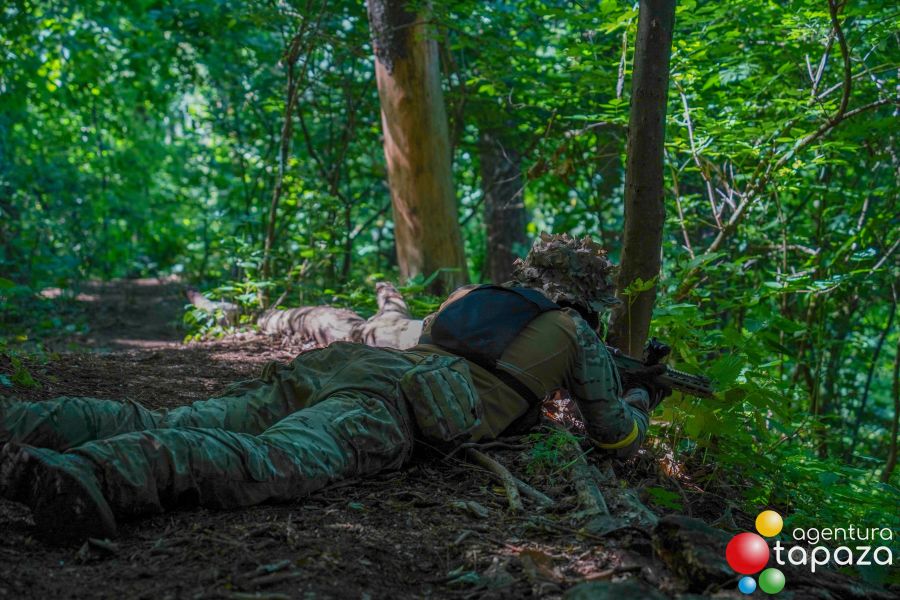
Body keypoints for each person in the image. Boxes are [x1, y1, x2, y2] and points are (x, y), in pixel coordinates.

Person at [0, 233, 668, 541]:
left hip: (347, 368)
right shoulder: (572, 331)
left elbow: (419, 339)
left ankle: (24, 422)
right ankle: (93, 474)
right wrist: (642, 400)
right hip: (383, 405)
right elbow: (613, 436)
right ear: (587, 300)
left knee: (185, 417)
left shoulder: (475, 294)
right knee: (273, 459)